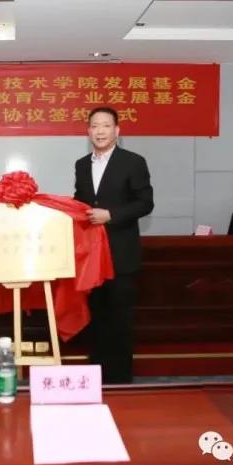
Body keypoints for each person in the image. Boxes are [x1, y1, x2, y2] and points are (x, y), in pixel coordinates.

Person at [73, 106, 154, 384]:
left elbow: (145, 203)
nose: (100, 131)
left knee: (120, 320)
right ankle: (95, 378)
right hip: (91, 258)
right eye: (95, 126)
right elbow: (80, 201)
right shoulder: (81, 165)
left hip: (121, 254)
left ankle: (120, 380)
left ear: (117, 131)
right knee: (97, 319)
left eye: (106, 126)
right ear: (88, 131)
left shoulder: (133, 162)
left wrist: (111, 215)